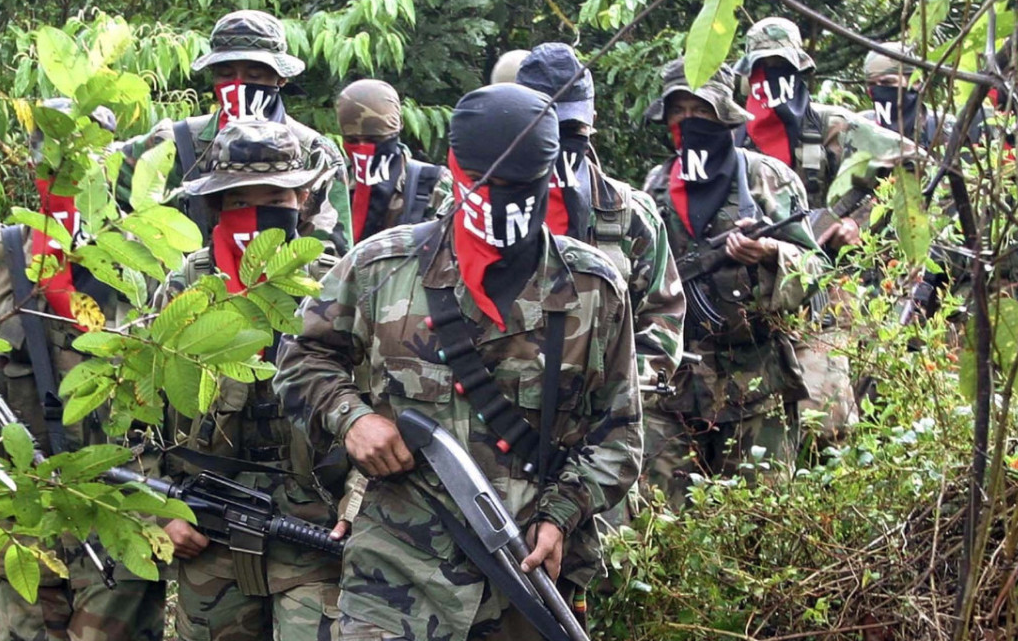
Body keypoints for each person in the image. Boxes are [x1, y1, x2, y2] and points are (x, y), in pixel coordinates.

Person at [274, 83, 642, 640]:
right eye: (487, 186)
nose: (502, 202)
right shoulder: (381, 267)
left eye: (522, 188)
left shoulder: (592, 287)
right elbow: (300, 358)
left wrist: (561, 513)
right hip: (395, 576)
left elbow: (620, 432)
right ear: (454, 168)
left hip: (528, 576)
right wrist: (354, 419)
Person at [0, 98, 165, 641]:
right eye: (51, 163)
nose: (64, 178)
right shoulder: (3, 249)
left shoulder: (143, 252)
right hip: (25, 503)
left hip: (118, 498)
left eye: (80, 165)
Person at [154, 120, 346, 641]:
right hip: (208, 526)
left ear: (304, 198)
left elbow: (379, 408)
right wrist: (161, 510)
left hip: (314, 531)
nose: (255, 216)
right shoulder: (182, 289)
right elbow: (135, 413)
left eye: (273, 198)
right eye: (237, 199)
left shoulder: (338, 284)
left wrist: (355, 508)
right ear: (215, 204)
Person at [641, 59, 824, 507]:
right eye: (678, 112)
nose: (688, 123)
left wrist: (771, 254)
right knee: (660, 525)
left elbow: (815, 271)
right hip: (674, 391)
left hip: (756, 387)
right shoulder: (656, 186)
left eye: (700, 112)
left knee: (763, 526)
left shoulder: (769, 180)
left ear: (724, 116)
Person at [733, 18, 925, 438]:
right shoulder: (730, 142)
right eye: (762, 73)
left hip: (827, 297)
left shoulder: (831, 127)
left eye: (781, 72)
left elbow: (911, 160)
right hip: (752, 305)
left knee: (827, 428)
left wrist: (856, 221)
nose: (770, 85)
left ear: (801, 73)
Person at [515, 43, 685, 390]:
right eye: (545, 125)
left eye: (570, 128)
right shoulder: (484, 207)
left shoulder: (630, 214)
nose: (557, 140)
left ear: (592, 119)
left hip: (601, 418)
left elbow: (663, 314)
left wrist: (622, 392)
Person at [116, 10, 351, 255]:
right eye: (226, 74)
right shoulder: (174, 144)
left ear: (281, 78)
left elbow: (333, 260)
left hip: (286, 288)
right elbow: (101, 189)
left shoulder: (315, 154)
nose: (239, 83)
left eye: (255, 74)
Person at [335, 79, 451, 243]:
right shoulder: (333, 183)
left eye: (373, 140)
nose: (363, 147)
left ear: (399, 126)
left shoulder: (433, 184)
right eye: (352, 140)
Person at [860, 41, 983, 151]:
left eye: (888, 82)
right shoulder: (861, 127)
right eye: (871, 84)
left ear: (915, 82)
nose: (879, 90)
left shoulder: (945, 128)